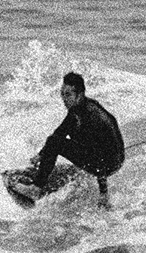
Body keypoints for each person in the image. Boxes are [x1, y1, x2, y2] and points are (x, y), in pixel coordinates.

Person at [11, 72, 124, 203]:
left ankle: (35, 189)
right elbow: (61, 131)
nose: (64, 99)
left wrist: (103, 193)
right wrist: (41, 155)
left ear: (80, 95)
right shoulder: (79, 108)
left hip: (109, 162)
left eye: (68, 95)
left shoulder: (91, 117)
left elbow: (100, 156)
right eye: (62, 94)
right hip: (112, 157)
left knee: (55, 142)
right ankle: (47, 170)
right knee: (57, 138)